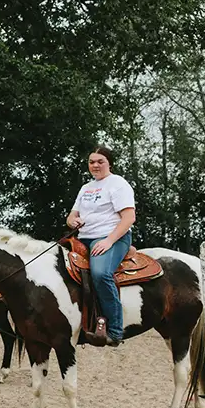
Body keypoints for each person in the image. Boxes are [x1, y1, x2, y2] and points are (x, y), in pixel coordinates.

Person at [66, 145, 136, 347]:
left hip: (110, 236)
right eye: (91, 162)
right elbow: (72, 215)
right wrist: (72, 222)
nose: (95, 165)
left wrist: (108, 241)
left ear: (109, 163)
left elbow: (129, 217)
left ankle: (115, 330)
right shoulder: (85, 188)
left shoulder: (118, 184)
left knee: (100, 273)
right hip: (83, 238)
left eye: (100, 161)